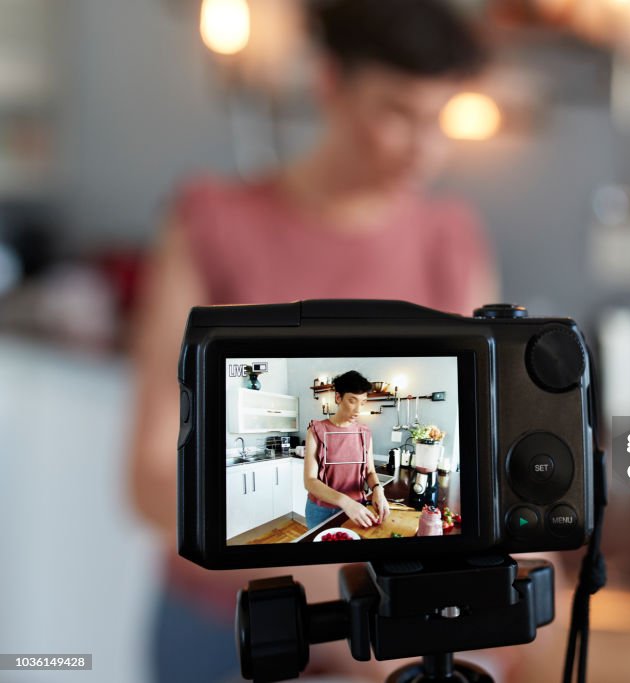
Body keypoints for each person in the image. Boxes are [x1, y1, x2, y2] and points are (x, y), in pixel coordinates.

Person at [128, 1, 496, 680]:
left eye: (439, 118)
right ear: (330, 84)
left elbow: (469, 465)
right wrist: (345, 580)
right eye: (397, 113)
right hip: (226, 633)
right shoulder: (211, 224)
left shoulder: (449, 238)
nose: (425, 147)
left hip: (392, 634)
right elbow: (151, 478)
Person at [305, 371, 390, 530]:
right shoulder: (316, 430)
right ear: (338, 398)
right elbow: (310, 481)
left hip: (357, 508)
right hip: (322, 510)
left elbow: (370, 471)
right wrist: (345, 502)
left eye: (363, 402)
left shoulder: (364, 432)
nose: (358, 409)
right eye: (352, 401)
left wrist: (378, 489)